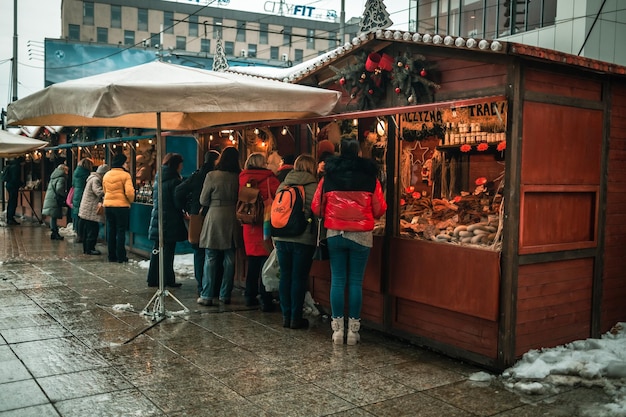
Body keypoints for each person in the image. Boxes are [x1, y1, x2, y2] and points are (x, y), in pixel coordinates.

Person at [311, 137, 387, 345]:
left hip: (335, 234)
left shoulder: (328, 177)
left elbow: (316, 206)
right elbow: (380, 209)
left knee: (337, 280)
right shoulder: (371, 179)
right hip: (361, 236)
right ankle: (353, 332)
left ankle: (337, 331)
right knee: (355, 282)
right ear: (359, 153)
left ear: (339, 152)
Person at [273, 154, 318, 329]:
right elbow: (318, 214)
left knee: (285, 276)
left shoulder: (283, 184)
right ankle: (295, 318)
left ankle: (286, 316)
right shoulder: (314, 187)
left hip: (282, 235)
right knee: (299, 278)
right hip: (303, 238)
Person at [197, 147, 243, 306]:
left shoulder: (212, 175)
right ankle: (225, 295)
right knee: (230, 259)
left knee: (210, 257)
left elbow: (203, 200)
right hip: (232, 217)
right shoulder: (239, 176)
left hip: (214, 217)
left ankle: (207, 295)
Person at [175, 150, 220, 295]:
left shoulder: (197, 174)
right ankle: (213, 287)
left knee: (199, 252)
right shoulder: (217, 176)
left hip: (197, 216)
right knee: (214, 252)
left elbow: (179, 191)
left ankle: (201, 286)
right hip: (212, 215)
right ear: (216, 161)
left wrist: (186, 208)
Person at [239, 152, 280, 311]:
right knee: (266, 264)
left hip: (249, 225)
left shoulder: (243, 179)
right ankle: (266, 299)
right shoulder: (271, 179)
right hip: (265, 225)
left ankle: (249, 296)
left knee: (253, 264)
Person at [146, 153, 187, 288]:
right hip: (170, 220)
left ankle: (153, 278)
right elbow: (177, 202)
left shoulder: (159, 177)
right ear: (177, 165)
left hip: (158, 218)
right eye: (181, 164)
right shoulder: (174, 180)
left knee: (157, 250)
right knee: (168, 252)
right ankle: (167, 279)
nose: (182, 167)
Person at [102, 153, 135, 263]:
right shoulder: (126, 175)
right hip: (121, 206)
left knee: (111, 230)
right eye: (126, 162)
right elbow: (130, 193)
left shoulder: (106, 175)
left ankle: (111, 256)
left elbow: (105, 190)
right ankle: (121, 256)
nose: (127, 164)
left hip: (108, 206)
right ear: (122, 163)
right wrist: (130, 201)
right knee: (121, 231)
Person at [78, 164, 110, 255]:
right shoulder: (96, 180)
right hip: (90, 209)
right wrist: (109, 190)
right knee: (92, 229)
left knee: (87, 230)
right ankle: (90, 248)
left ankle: (86, 248)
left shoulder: (92, 178)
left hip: (86, 208)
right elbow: (98, 192)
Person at [42, 163, 69, 240]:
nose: (67, 172)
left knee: (53, 217)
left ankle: (54, 232)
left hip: (51, 198)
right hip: (55, 199)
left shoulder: (54, 177)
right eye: (67, 170)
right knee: (54, 216)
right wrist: (65, 194)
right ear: (64, 170)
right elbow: (59, 189)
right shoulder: (61, 178)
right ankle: (55, 232)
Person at [71, 158, 94, 242]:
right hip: (83, 194)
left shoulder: (76, 172)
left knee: (78, 215)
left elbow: (73, 183)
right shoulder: (86, 173)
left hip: (77, 194)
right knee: (83, 216)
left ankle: (78, 234)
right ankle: (82, 235)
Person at [4, 157, 24, 225]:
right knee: (13, 202)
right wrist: (21, 184)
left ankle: (9, 217)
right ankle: (10, 218)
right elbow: (15, 178)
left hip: (9, 185)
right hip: (13, 186)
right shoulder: (16, 167)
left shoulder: (11, 165)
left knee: (11, 201)